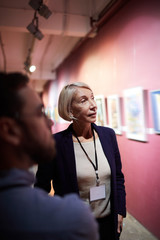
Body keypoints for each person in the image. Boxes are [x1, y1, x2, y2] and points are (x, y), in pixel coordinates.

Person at [0, 73, 99, 240]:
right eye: (40, 113)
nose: (50, 123)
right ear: (9, 129)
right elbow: (43, 184)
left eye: (93, 98)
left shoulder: (106, 135)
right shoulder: (71, 219)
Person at [35, 82, 126, 240]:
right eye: (83, 101)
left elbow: (118, 177)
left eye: (92, 98)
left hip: (108, 223)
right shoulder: (55, 143)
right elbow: (40, 188)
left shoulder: (108, 136)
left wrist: (120, 211)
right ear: (70, 110)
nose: (93, 105)